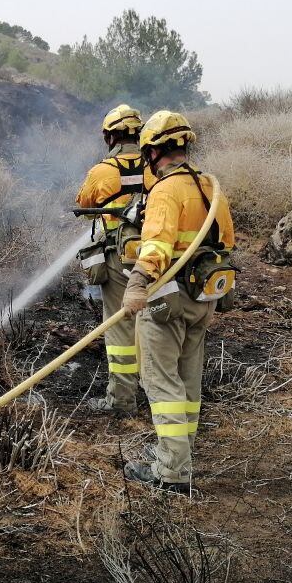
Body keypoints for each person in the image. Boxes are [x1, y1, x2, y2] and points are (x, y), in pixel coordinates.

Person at [121, 110, 236, 493]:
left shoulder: (166, 190)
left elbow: (156, 244)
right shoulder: (209, 186)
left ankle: (170, 472)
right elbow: (226, 244)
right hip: (203, 299)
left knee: (161, 382)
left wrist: (137, 282)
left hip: (167, 301)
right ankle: (181, 459)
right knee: (188, 382)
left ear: (153, 152)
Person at [74, 104, 152, 414]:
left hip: (119, 259)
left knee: (119, 329)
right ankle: (154, 389)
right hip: (156, 257)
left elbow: (84, 202)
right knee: (152, 323)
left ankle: (121, 401)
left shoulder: (102, 171)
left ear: (110, 137)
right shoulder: (155, 167)